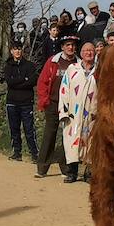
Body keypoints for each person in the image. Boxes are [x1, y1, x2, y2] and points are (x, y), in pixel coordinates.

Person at [34, 34, 78, 178]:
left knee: (69, 136)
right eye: (68, 45)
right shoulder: (53, 62)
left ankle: (66, 168)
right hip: (53, 103)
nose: (70, 47)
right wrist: (44, 100)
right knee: (49, 135)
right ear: (62, 47)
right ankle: (42, 168)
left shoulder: (79, 63)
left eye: (72, 45)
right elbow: (42, 82)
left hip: (71, 105)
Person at [57, 40, 99, 182]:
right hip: (73, 114)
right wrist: (63, 112)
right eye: (86, 50)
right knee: (71, 141)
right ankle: (71, 172)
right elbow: (64, 90)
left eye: (91, 50)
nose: (89, 53)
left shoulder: (99, 70)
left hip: (92, 114)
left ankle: (89, 172)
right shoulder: (72, 69)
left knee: (91, 141)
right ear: (81, 53)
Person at [2, 40, 39, 162]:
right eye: (15, 49)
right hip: (12, 102)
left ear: (22, 50)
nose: (17, 51)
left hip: (26, 102)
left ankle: (34, 154)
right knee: (14, 129)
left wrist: (19, 81)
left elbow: (32, 81)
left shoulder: (30, 65)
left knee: (29, 129)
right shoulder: (8, 66)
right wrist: (24, 79)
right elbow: (10, 82)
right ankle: (17, 152)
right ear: (11, 51)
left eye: (19, 48)